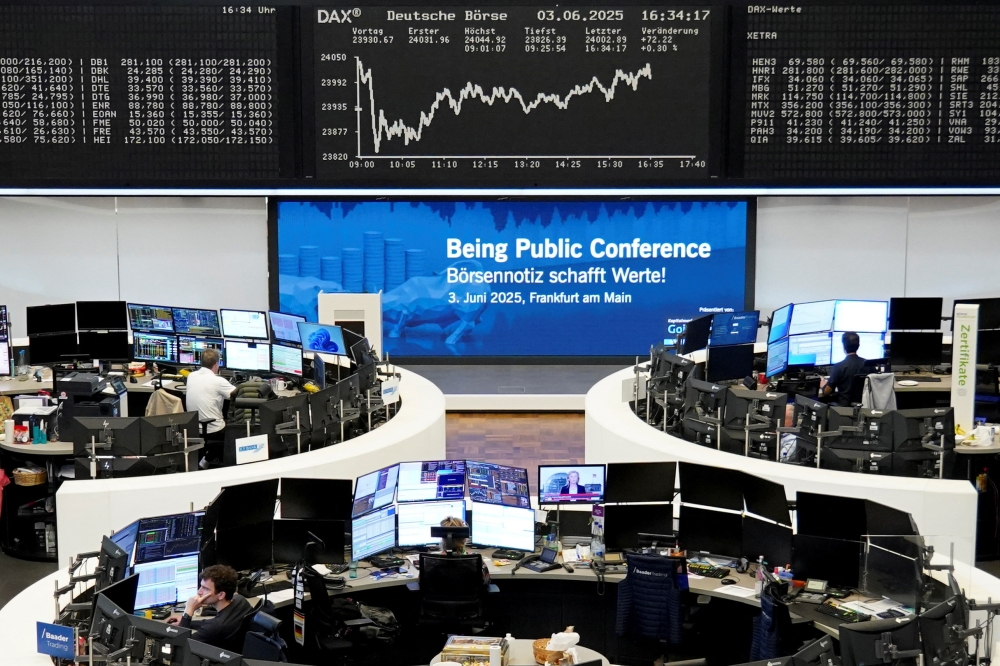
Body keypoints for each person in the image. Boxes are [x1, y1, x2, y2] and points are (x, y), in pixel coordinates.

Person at [167, 564, 251, 647]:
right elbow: (209, 623)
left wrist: (188, 611)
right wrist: (186, 622)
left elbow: (181, 644)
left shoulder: (216, 627)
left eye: (205, 588)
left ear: (221, 595)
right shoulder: (240, 600)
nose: (199, 592)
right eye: (201, 586)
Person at [185, 348, 234, 464]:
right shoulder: (218, 381)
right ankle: (207, 460)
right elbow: (238, 394)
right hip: (214, 431)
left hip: (193, 429)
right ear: (216, 364)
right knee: (234, 426)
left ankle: (205, 459)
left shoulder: (191, 376)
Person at [439, 516, 490, 585]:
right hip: (471, 592)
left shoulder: (431, 560)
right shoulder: (475, 559)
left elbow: (424, 582)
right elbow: (486, 581)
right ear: (464, 538)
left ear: (442, 538)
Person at [823, 331, 866, 404]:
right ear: (858, 345)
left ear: (843, 346)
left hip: (844, 408)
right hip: (864, 407)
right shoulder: (868, 364)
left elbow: (827, 392)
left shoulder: (838, 367)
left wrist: (823, 385)